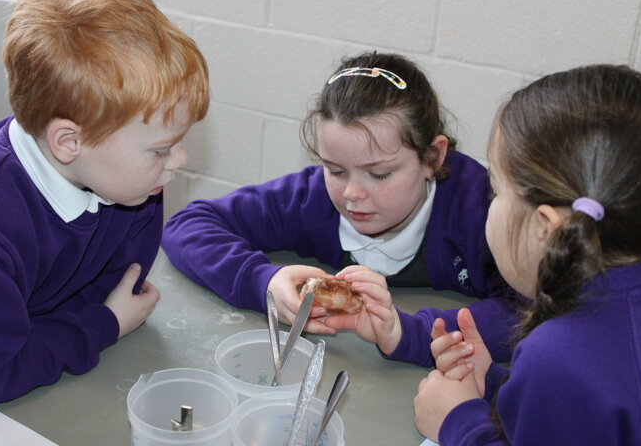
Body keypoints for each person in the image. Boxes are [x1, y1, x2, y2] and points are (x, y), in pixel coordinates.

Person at [0, 0, 209, 403]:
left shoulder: (129, 182)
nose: (179, 160)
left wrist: (88, 322)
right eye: (161, 149)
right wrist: (103, 326)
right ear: (68, 142)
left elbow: (116, 285)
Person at [163, 52, 518, 366]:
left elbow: (531, 310)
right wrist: (263, 281)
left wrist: (408, 333)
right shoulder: (311, 198)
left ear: (432, 157)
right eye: (335, 170)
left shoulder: (482, 210)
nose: (352, 193)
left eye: (379, 174)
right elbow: (187, 225)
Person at [413, 64, 641, 444]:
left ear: (545, 226)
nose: (489, 205)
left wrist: (458, 420)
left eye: (496, 191)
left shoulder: (558, 354)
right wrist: (501, 385)